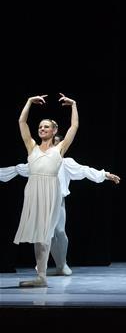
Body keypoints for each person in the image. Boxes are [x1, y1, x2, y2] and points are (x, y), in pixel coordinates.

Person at [2, 135, 120, 276]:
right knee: (47, 235)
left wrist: (105, 175)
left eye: (57, 143)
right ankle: (57, 265)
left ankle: (62, 263)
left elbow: (84, 170)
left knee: (60, 232)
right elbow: (18, 169)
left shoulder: (66, 163)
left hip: (58, 201)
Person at [13, 94, 79, 287]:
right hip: (33, 191)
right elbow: (21, 121)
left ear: (54, 130)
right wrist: (28, 102)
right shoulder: (31, 147)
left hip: (51, 192)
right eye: (40, 126)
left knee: (45, 233)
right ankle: (41, 275)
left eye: (46, 126)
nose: (42, 128)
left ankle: (41, 277)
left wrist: (73, 105)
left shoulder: (59, 149)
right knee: (37, 234)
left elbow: (74, 126)